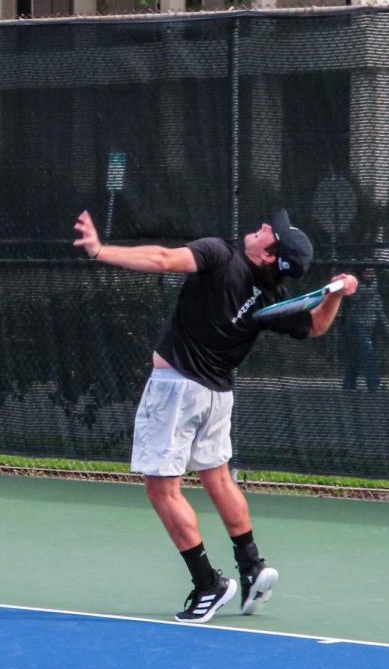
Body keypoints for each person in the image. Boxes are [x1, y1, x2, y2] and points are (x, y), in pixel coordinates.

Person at [73, 208, 357, 624]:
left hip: (176, 392)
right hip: (216, 396)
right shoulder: (270, 297)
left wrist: (100, 250)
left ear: (267, 256)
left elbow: (163, 260)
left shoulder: (219, 254)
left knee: (162, 491)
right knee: (217, 478)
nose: (263, 226)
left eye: (269, 232)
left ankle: (208, 584)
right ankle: (251, 565)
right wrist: (335, 293)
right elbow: (315, 326)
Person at [341, 266, 389, 392]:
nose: (370, 274)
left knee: (355, 357)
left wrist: (387, 329)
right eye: (367, 272)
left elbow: (379, 309)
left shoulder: (375, 287)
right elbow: (353, 298)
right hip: (356, 326)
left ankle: (349, 385)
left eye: (372, 272)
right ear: (362, 273)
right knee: (368, 355)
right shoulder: (356, 286)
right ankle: (374, 385)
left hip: (368, 327)